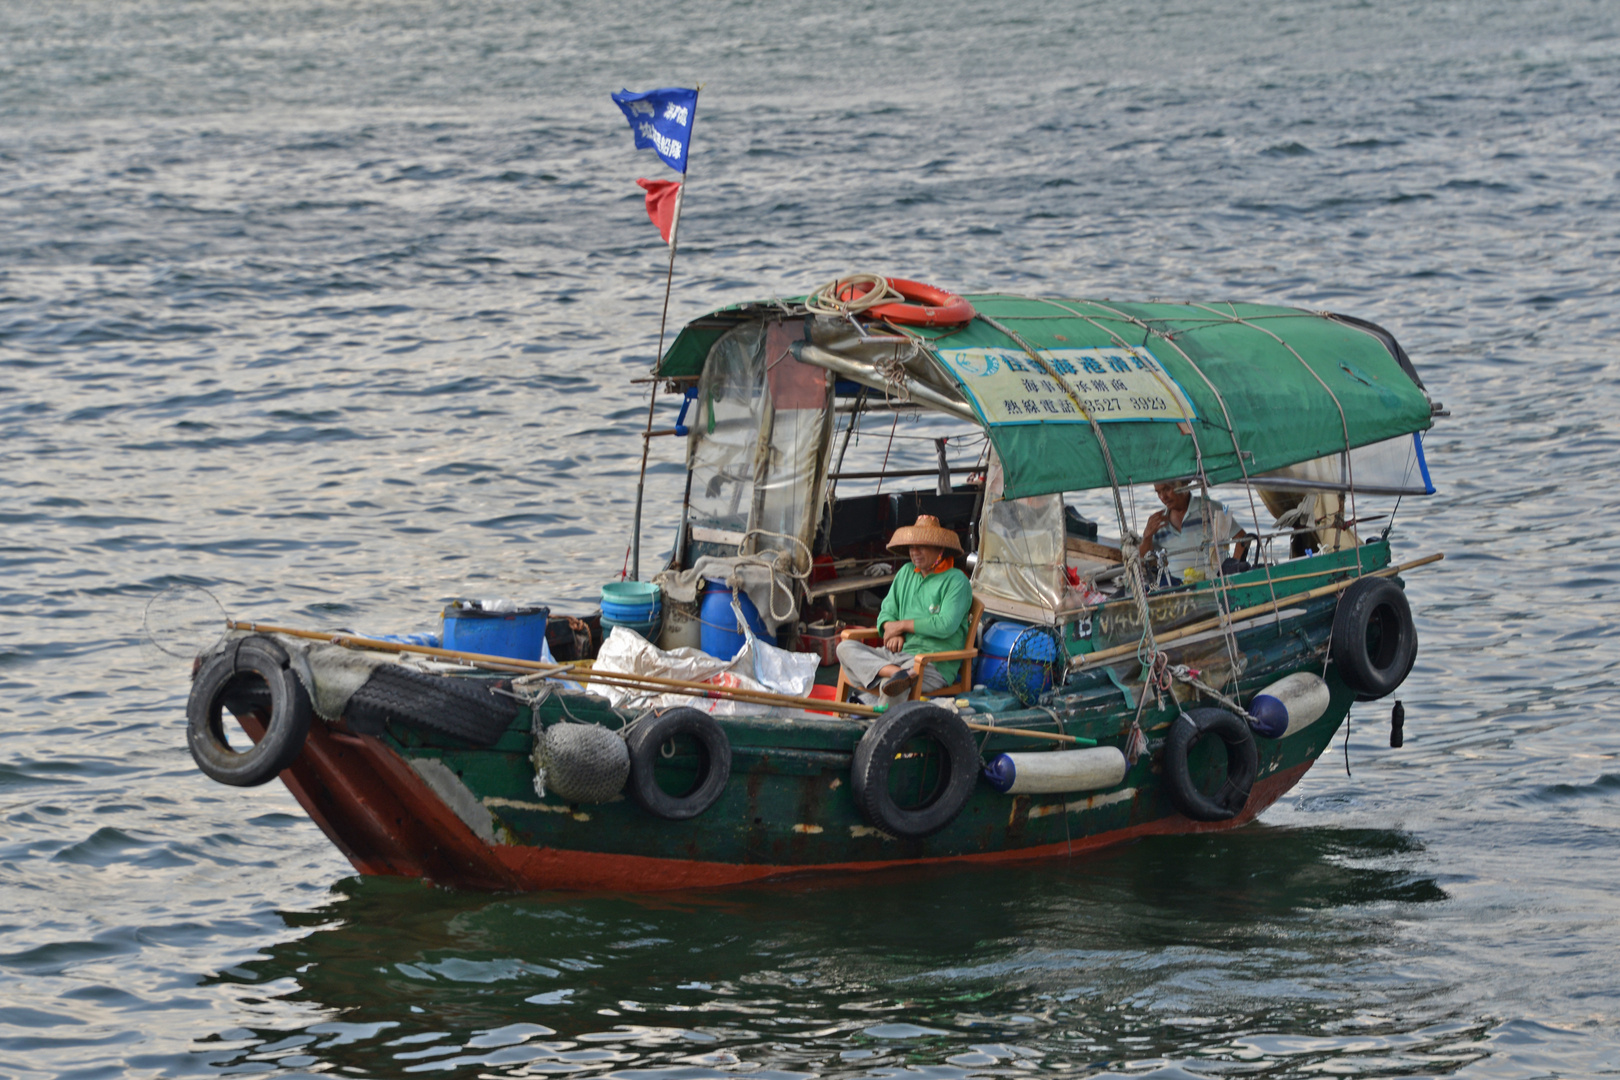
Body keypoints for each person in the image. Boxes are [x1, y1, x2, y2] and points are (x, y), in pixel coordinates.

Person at [835, 515, 974, 705]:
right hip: (896, 658)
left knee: (890, 686)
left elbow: (945, 625)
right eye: (911, 547)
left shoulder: (957, 580)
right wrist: (892, 633)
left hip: (931, 664)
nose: (914, 552)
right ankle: (897, 675)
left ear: (940, 548)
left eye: (921, 546)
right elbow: (886, 612)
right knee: (845, 647)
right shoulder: (906, 572)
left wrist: (901, 626)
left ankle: (888, 710)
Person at [1137, 482, 1251, 585]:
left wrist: (1233, 570)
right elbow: (1143, 560)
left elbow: (1242, 538)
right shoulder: (1158, 521)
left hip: (1215, 583)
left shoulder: (1213, 508)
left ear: (1184, 484)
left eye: (1167, 489)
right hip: (1177, 588)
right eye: (1158, 492)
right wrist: (1147, 536)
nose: (1162, 497)